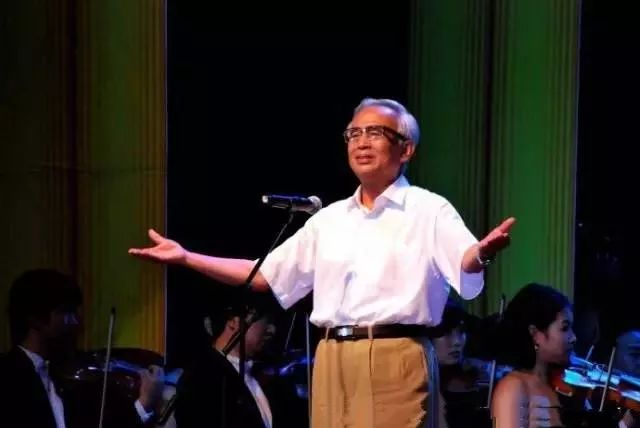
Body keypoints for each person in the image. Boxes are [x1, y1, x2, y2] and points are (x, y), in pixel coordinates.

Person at [129, 97, 515, 427]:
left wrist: (482, 252)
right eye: (354, 133)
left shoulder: (428, 209)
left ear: (406, 149)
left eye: (375, 132)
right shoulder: (330, 219)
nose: (361, 141)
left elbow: (464, 261)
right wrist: (187, 257)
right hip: (330, 357)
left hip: (395, 353)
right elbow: (263, 274)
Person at [0, 269, 164, 428]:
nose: (75, 321)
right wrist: (143, 406)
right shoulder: (9, 379)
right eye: (65, 312)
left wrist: (144, 404)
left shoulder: (67, 381)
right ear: (36, 320)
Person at [491, 283, 639, 428]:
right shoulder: (514, 388)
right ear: (535, 334)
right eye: (564, 328)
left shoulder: (566, 390)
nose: (574, 337)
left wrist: (629, 420)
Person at [174, 293, 287, 428]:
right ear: (233, 322)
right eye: (266, 320)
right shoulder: (203, 373)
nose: (272, 329)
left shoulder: (259, 377)